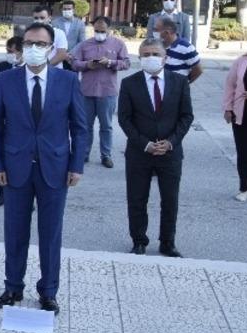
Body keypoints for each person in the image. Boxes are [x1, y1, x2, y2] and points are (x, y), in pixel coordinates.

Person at [0, 22, 88, 313]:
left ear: (51, 48)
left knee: (50, 233)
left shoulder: (67, 81)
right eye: (28, 43)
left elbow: (80, 128)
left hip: (55, 168)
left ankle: (48, 291)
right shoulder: (6, 80)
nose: (33, 49)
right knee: (15, 232)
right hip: (15, 168)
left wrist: (77, 164)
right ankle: (13, 288)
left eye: (40, 44)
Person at [118, 39, 193, 257]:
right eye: (146, 54)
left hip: (170, 152)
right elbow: (124, 119)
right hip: (139, 153)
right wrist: (145, 144)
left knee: (170, 200)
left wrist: (170, 142)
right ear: (139, 58)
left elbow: (186, 116)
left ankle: (167, 242)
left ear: (165, 57)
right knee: (137, 198)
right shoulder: (130, 83)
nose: (151, 57)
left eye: (155, 53)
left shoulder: (179, 82)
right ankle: (138, 240)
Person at [71, 17, 130, 168]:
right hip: (87, 91)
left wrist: (111, 63)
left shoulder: (118, 44)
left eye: (102, 31)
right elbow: (74, 63)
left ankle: (106, 155)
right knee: (85, 125)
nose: (99, 33)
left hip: (107, 91)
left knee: (106, 125)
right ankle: (83, 154)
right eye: (96, 30)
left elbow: (126, 63)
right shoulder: (84, 45)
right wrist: (87, 65)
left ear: (109, 29)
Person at [222, 29, 247, 202]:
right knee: (244, 153)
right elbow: (230, 85)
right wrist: (228, 108)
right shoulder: (242, 61)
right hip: (243, 114)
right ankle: (244, 188)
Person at [0, 35, 23, 208]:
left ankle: (26, 196)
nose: (9, 54)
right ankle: (2, 192)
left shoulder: (32, 69)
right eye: (7, 51)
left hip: (23, 124)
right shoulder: (2, 68)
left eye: (12, 51)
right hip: (3, 120)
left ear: (22, 52)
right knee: (2, 157)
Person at [156, 16, 203, 83]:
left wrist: (184, 84)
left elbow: (198, 70)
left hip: (176, 91)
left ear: (167, 32)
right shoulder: (158, 45)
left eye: (157, 30)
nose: (154, 32)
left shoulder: (186, 48)